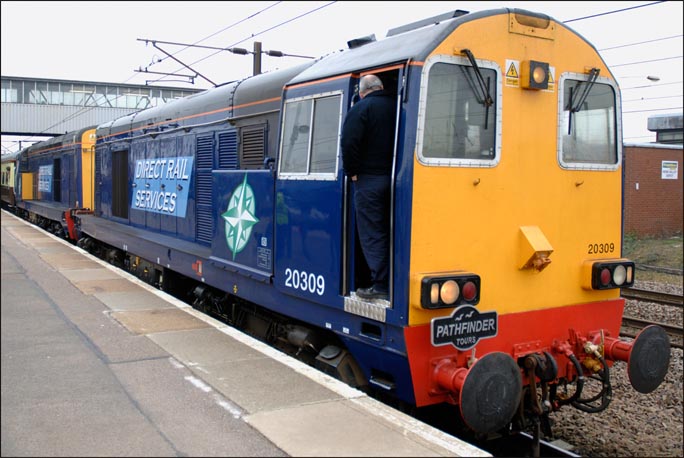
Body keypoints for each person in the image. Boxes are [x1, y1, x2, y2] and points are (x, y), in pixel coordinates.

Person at [340, 74, 396, 301]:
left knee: (373, 233)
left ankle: (381, 284)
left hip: (369, 181)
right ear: (381, 87)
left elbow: (349, 143)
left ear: (362, 92)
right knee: (392, 230)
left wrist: (352, 172)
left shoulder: (361, 109)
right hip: (395, 179)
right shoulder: (398, 106)